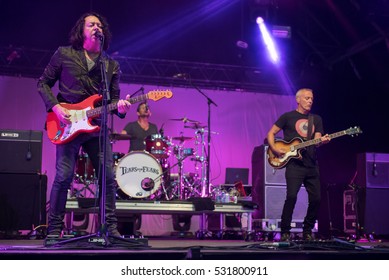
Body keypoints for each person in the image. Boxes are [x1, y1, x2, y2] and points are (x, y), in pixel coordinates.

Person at [37, 12, 131, 237]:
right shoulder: (64, 54)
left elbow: (114, 101)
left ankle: (110, 228)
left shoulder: (111, 65)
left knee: (108, 178)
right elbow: (43, 84)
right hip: (67, 124)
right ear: (82, 30)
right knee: (63, 176)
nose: (96, 27)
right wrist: (56, 108)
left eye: (99, 25)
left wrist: (121, 108)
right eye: (92, 24)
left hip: (97, 128)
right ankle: (54, 229)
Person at [267, 88, 330, 241]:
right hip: (294, 165)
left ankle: (307, 230)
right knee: (291, 197)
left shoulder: (316, 119)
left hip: (312, 165)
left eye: (312, 99)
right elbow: (271, 133)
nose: (310, 101)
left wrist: (322, 142)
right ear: (298, 99)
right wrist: (274, 148)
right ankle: (285, 231)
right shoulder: (288, 117)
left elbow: (317, 141)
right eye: (307, 98)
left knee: (316, 199)